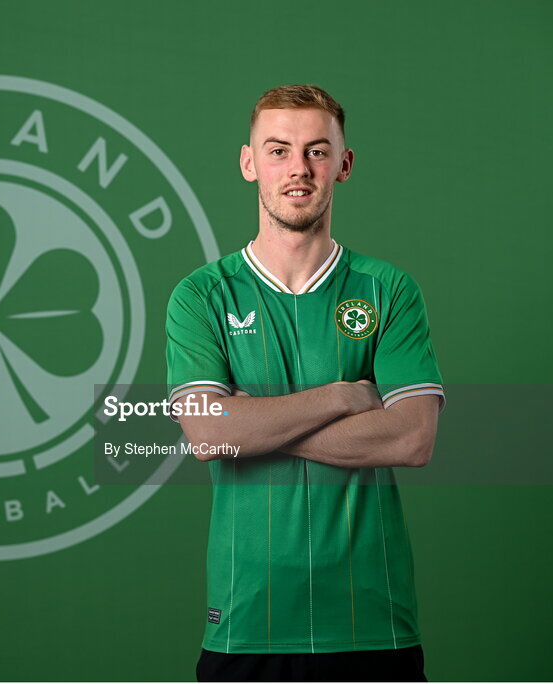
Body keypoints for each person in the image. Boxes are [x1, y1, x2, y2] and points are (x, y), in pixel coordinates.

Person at [165, 85, 445, 682]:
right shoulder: (202, 296)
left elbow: (412, 439)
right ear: (249, 163)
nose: (298, 168)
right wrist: (342, 396)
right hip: (246, 622)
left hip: (373, 620)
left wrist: (253, 424)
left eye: (317, 151)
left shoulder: (388, 290)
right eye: (278, 150)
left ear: (344, 165)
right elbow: (207, 435)